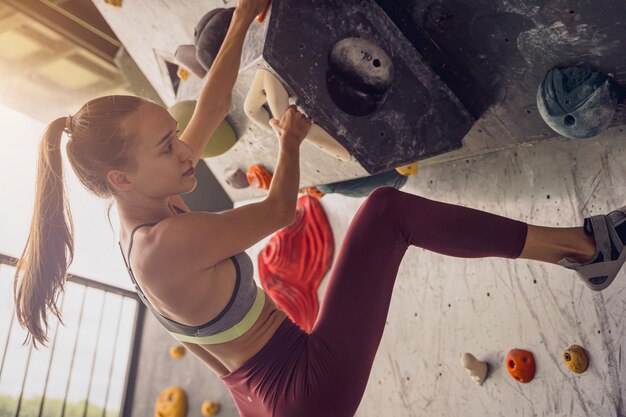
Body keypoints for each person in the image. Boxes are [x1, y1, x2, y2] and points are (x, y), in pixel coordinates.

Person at [13, 1, 626, 416]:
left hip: (258, 392)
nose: (183, 147)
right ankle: (587, 250)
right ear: (120, 176)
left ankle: (582, 251)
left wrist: (247, 16)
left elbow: (209, 104)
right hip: (301, 393)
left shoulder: (142, 196)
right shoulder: (163, 246)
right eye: (165, 144)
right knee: (388, 212)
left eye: (169, 135)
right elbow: (282, 211)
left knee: (383, 213)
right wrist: (288, 141)